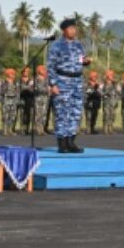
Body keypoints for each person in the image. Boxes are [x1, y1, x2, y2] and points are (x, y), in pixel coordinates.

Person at [47, 18, 91, 153]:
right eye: (70, 28)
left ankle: (71, 141)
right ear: (64, 30)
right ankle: (62, 142)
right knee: (62, 112)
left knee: (75, 112)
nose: (73, 30)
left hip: (77, 82)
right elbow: (50, 66)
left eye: (74, 28)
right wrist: (53, 84)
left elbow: (80, 60)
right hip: (62, 80)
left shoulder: (79, 45)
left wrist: (86, 61)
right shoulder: (57, 46)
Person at [0, 68, 20, 137]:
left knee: (12, 116)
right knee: (5, 116)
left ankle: (10, 130)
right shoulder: (3, 82)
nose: (13, 75)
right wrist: (3, 93)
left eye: (14, 74)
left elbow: (18, 91)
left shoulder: (16, 82)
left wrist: (17, 98)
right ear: (8, 74)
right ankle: (5, 131)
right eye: (12, 74)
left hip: (13, 101)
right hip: (6, 101)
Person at [101, 69, 120, 134]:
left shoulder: (115, 83)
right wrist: (105, 94)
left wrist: (117, 98)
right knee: (106, 114)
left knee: (112, 115)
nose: (111, 76)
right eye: (109, 75)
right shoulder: (103, 83)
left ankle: (110, 127)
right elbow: (100, 91)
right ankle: (105, 128)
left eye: (111, 75)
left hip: (113, 102)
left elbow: (118, 91)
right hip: (106, 101)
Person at [34, 65, 51, 136]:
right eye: (42, 69)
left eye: (44, 69)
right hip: (38, 98)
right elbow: (38, 88)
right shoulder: (36, 80)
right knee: (38, 114)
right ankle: (38, 129)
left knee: (44, 114)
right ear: (38, 71)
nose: (44, 70)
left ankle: (42, 129)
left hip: (46, 98)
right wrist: (48, 90)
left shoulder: (47, 79)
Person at [18, 67, 35, 135]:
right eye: (24, 71)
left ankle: (27, 129)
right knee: (22, 115)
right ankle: (22, 129)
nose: (26, 73)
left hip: (30, 99)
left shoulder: (32, 80)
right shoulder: (19, 80)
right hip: (21, 99)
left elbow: (35, 89)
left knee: (29, 114)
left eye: (27, 71)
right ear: (22, 72)